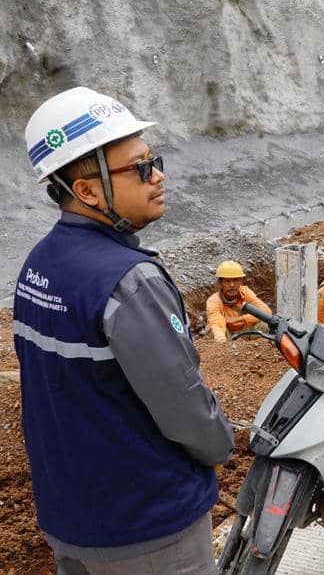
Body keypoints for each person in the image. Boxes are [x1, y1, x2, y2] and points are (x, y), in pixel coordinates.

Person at [15, 87, 234, 574]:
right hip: (150, 531)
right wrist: (221, 445)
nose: (158, 176)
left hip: (70, 519)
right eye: (139, 167)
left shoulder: (38, 266)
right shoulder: (129, 281)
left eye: (154, 160)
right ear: (87, 190)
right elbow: (183, 404)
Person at [205, 260, 271, 342]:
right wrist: (223, 343)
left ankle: (256, 350)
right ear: (220, 283)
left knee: (263, 323)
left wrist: (238, 319)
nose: (232, 285)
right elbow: (217, 325)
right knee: (210, 328)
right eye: (227, 281)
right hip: (227, 336)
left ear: (241, 281)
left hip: (246, 335)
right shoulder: (213, 301)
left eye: (235, 280)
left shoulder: (246, 293)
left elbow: (266, 312)